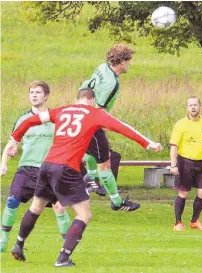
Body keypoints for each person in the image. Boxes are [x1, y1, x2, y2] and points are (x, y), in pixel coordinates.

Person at [7, 88, 163, 267]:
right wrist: (148, 143)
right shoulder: (95, 113)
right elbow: (122, 128)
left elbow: (31, 120)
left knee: (36, 206)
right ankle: (63, 258)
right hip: (67, 168)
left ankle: (19, 244)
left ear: (78, 99)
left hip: (47, 164)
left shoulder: (62, 110)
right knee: (84, 213)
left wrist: (15, 138)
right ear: (91, 100)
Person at [0, 81, 70, 253]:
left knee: (59, 207)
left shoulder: (56, 118)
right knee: (12, 201)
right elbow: (12, 143)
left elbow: (67, 142)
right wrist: (4, 163)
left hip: (50, 170)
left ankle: (67, 247)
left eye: (38, 92)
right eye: (31, 92)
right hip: (26, 168)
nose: (34, 95)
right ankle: (3, 239)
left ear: (46, 96)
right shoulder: (23, 119)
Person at [79, 44, 138, 211]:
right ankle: (116, 202)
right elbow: (99, 107)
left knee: (93, 153)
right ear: (121, 61)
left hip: (82, 115)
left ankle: (90, 179)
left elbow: (85, 87)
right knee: (105, 163)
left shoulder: (102, 67)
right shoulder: (111, 83)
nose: (130, 64)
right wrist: (104, 124)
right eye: (128, 60)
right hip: (91, 120)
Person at [169, 96, 202, 231]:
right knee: (183, 193)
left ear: (200, 106)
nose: (193, 107)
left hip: (201, 162)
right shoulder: (180, 124)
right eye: (190, 105)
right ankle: (178, 223)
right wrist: (173, 165)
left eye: (195, 105)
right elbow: (173, 145)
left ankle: (194, 221)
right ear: (187, 108)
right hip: (185, 162)